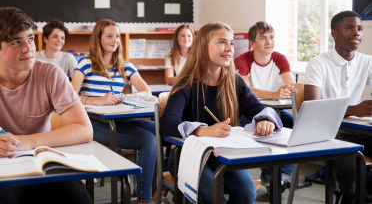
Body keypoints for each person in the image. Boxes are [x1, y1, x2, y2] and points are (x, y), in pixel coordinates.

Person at [160, 22, 282, 204]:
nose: (229, 49)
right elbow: (167, 122)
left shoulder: (233, 80)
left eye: (231, 43)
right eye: (222, 42)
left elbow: (260, 110)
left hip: (222, 151)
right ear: (203, 47)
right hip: (186, 153)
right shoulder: (187, 82)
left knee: (247, 193)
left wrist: (266, 120)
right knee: (212, 197)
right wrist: (201, 131)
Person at [0, 7, 93, 204]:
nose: (28, 49)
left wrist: (27, 141)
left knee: (80, 199)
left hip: (40, 161)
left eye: (31, 39)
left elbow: (84, 129)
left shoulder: (51, 73)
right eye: (16, 42)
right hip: (2, 169)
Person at [71, 19, 156, 204]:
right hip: (93, 122)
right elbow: (70, 97)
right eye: (109, 36)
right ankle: (145, 199)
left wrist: (125, 98)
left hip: (120, 119)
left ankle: (162, 186)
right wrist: (98, 101)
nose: (115, 40)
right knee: (149, 140)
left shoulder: (125, 66)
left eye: (117, 36)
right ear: (98, 39)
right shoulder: (85, 63)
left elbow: (146, 92)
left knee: (160, 129)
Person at [304, 10, 372, 203]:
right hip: (330, 130)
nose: (356, 33)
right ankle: (344, 196)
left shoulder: (367, 61)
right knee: (350, 171)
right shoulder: (318, 63)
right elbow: (312, 108)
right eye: (349, 28)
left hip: (361, 128)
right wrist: (353, 109)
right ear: (334, 33)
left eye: (359, 28)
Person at [234, 21, 294, 193]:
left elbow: (291, 86)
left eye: (271, 37)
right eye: (263, 38)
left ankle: (279, 174)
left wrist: (285, 90)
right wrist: (274, 94)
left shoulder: (279, 58)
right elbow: (245, 90)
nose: (269, 42)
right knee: (266, 128)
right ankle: (269, 168)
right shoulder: (242, 60)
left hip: (274, 110)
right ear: (252, 44)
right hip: (248, 110)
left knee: (295, 126)